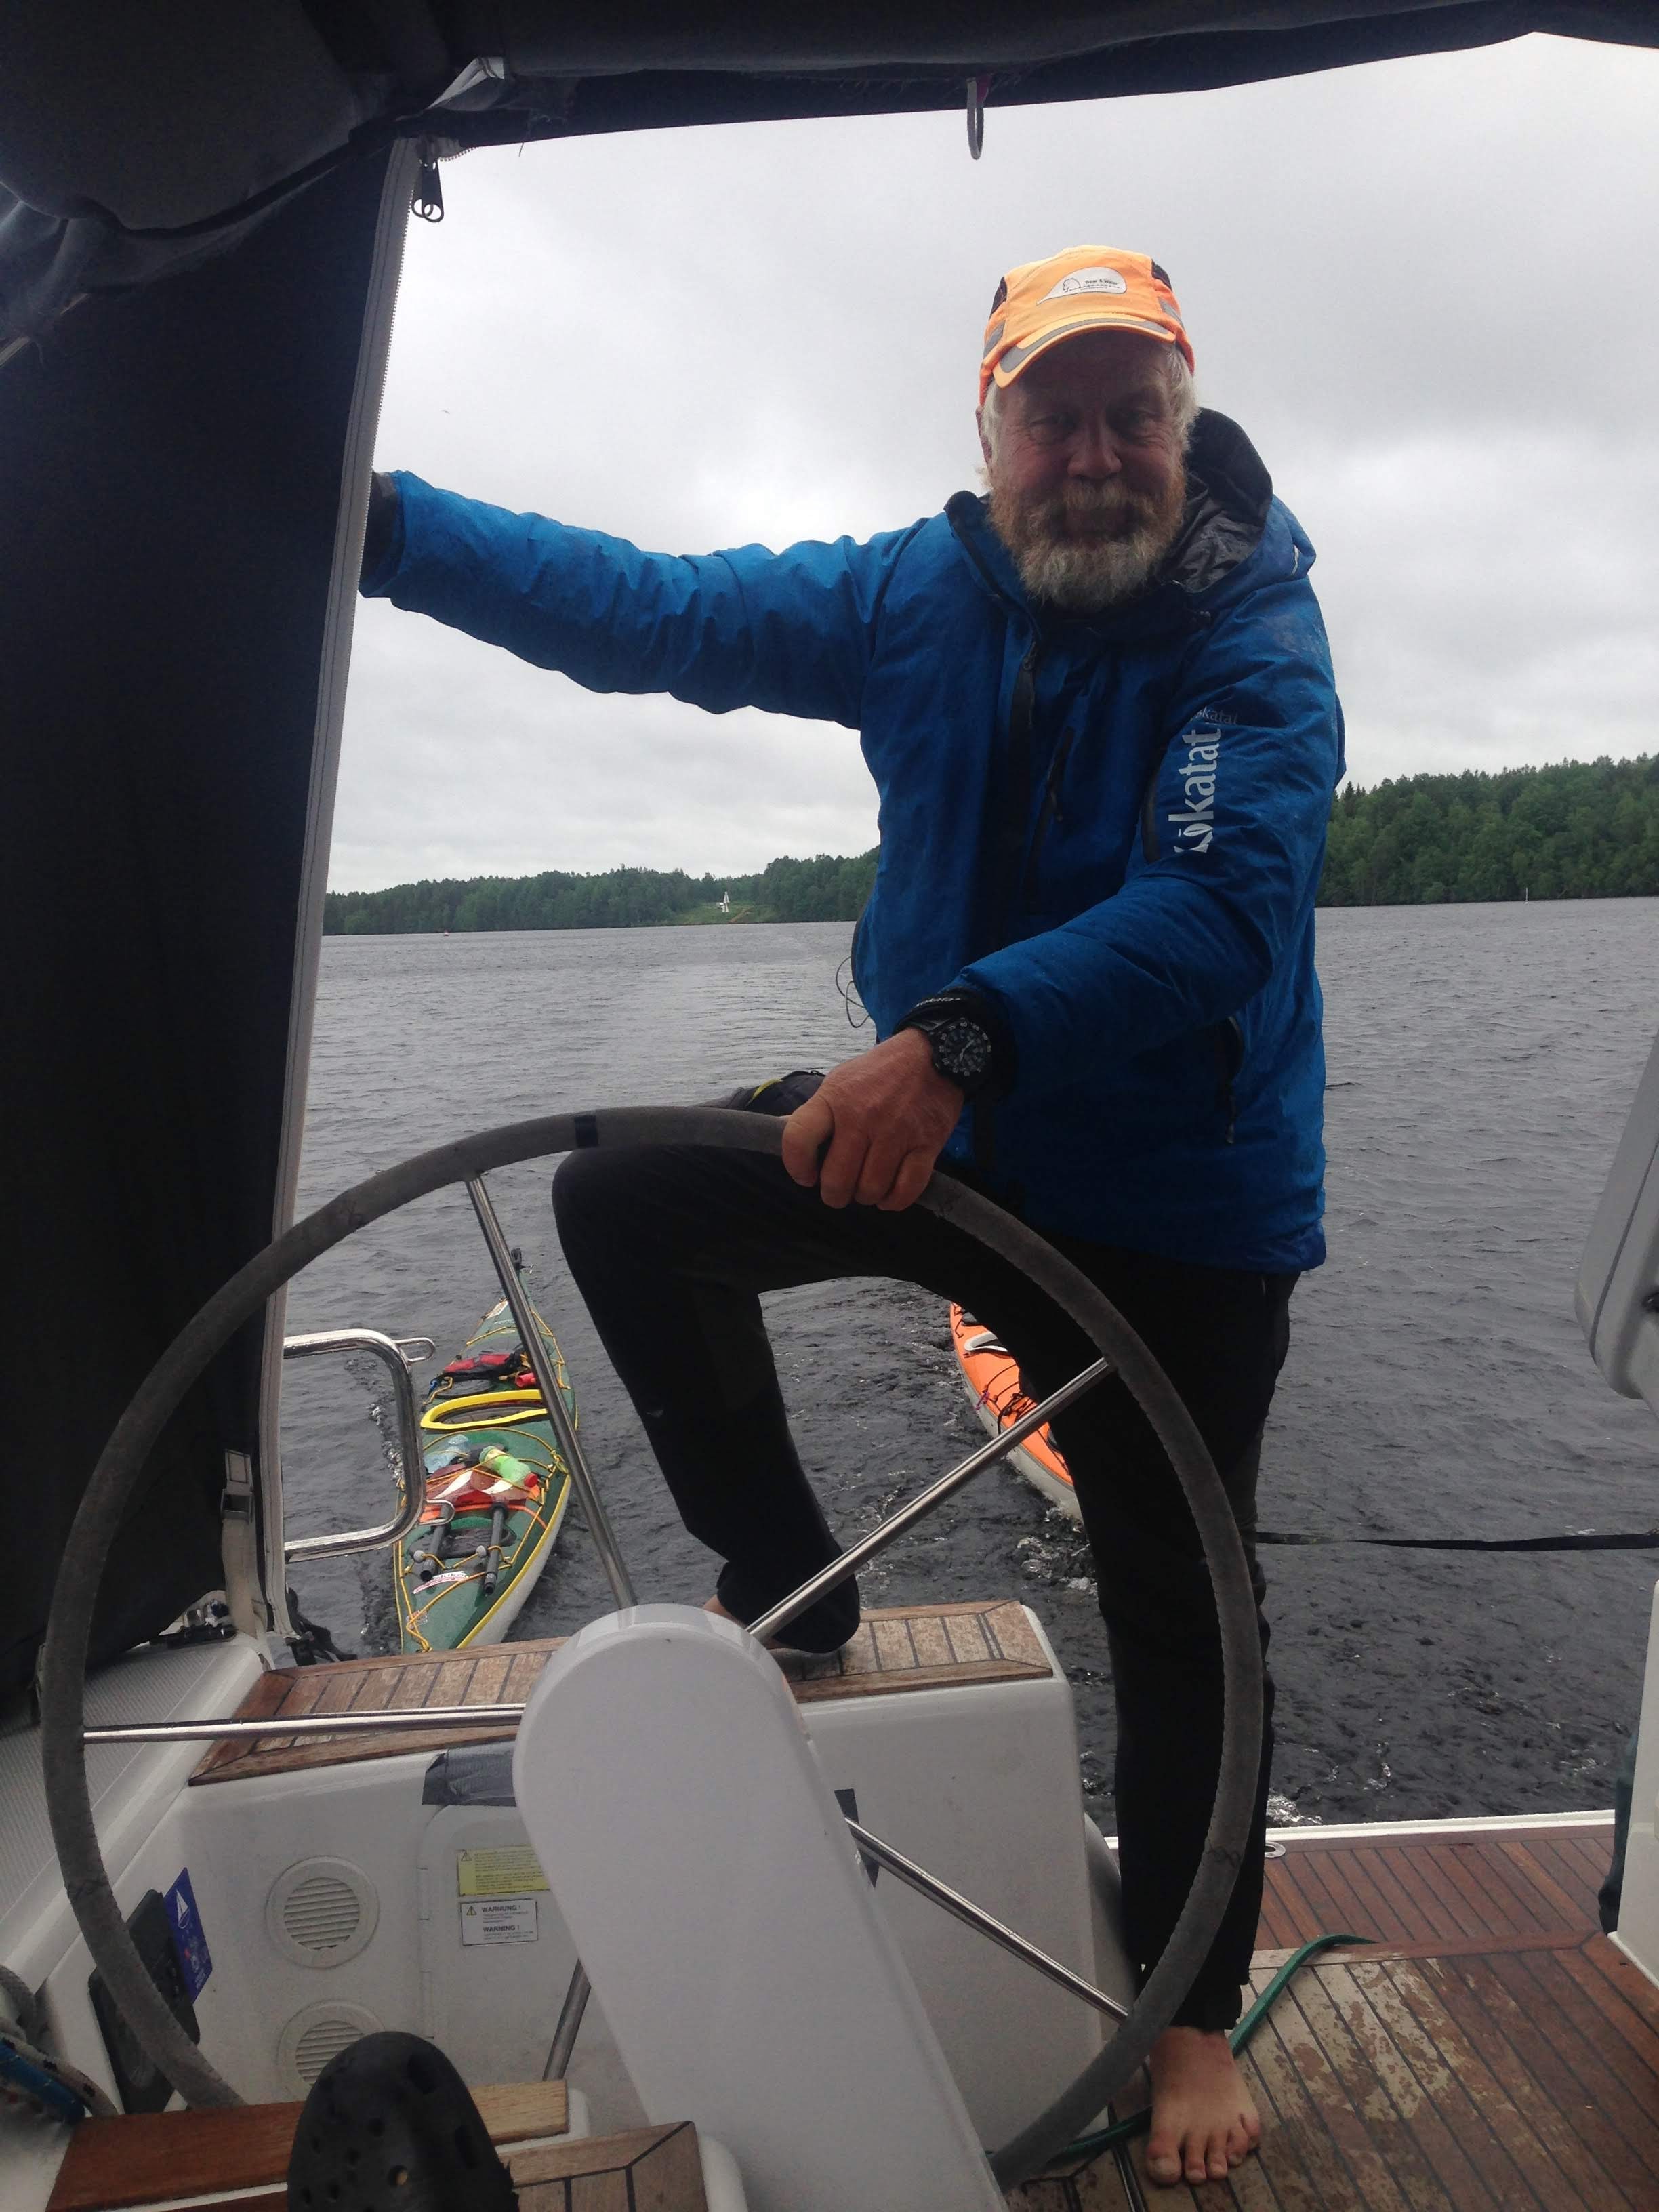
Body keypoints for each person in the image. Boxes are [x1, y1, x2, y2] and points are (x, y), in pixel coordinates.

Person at [361, 244, 1344, 2188]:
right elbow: (652, 611)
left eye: (1128, 416)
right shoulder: (912, 595)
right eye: (1053, 419)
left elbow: (1220, 909)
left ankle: (1189, 2022)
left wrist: (957, 1036)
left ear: (1185, 425)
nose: (1093, 457)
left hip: (1176, 1205)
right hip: (956, 1143)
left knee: (1185, 1609)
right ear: (988, 436)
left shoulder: (1255, 629)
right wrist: (382, 527)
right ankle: (794, 1584)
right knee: (630, 1201)